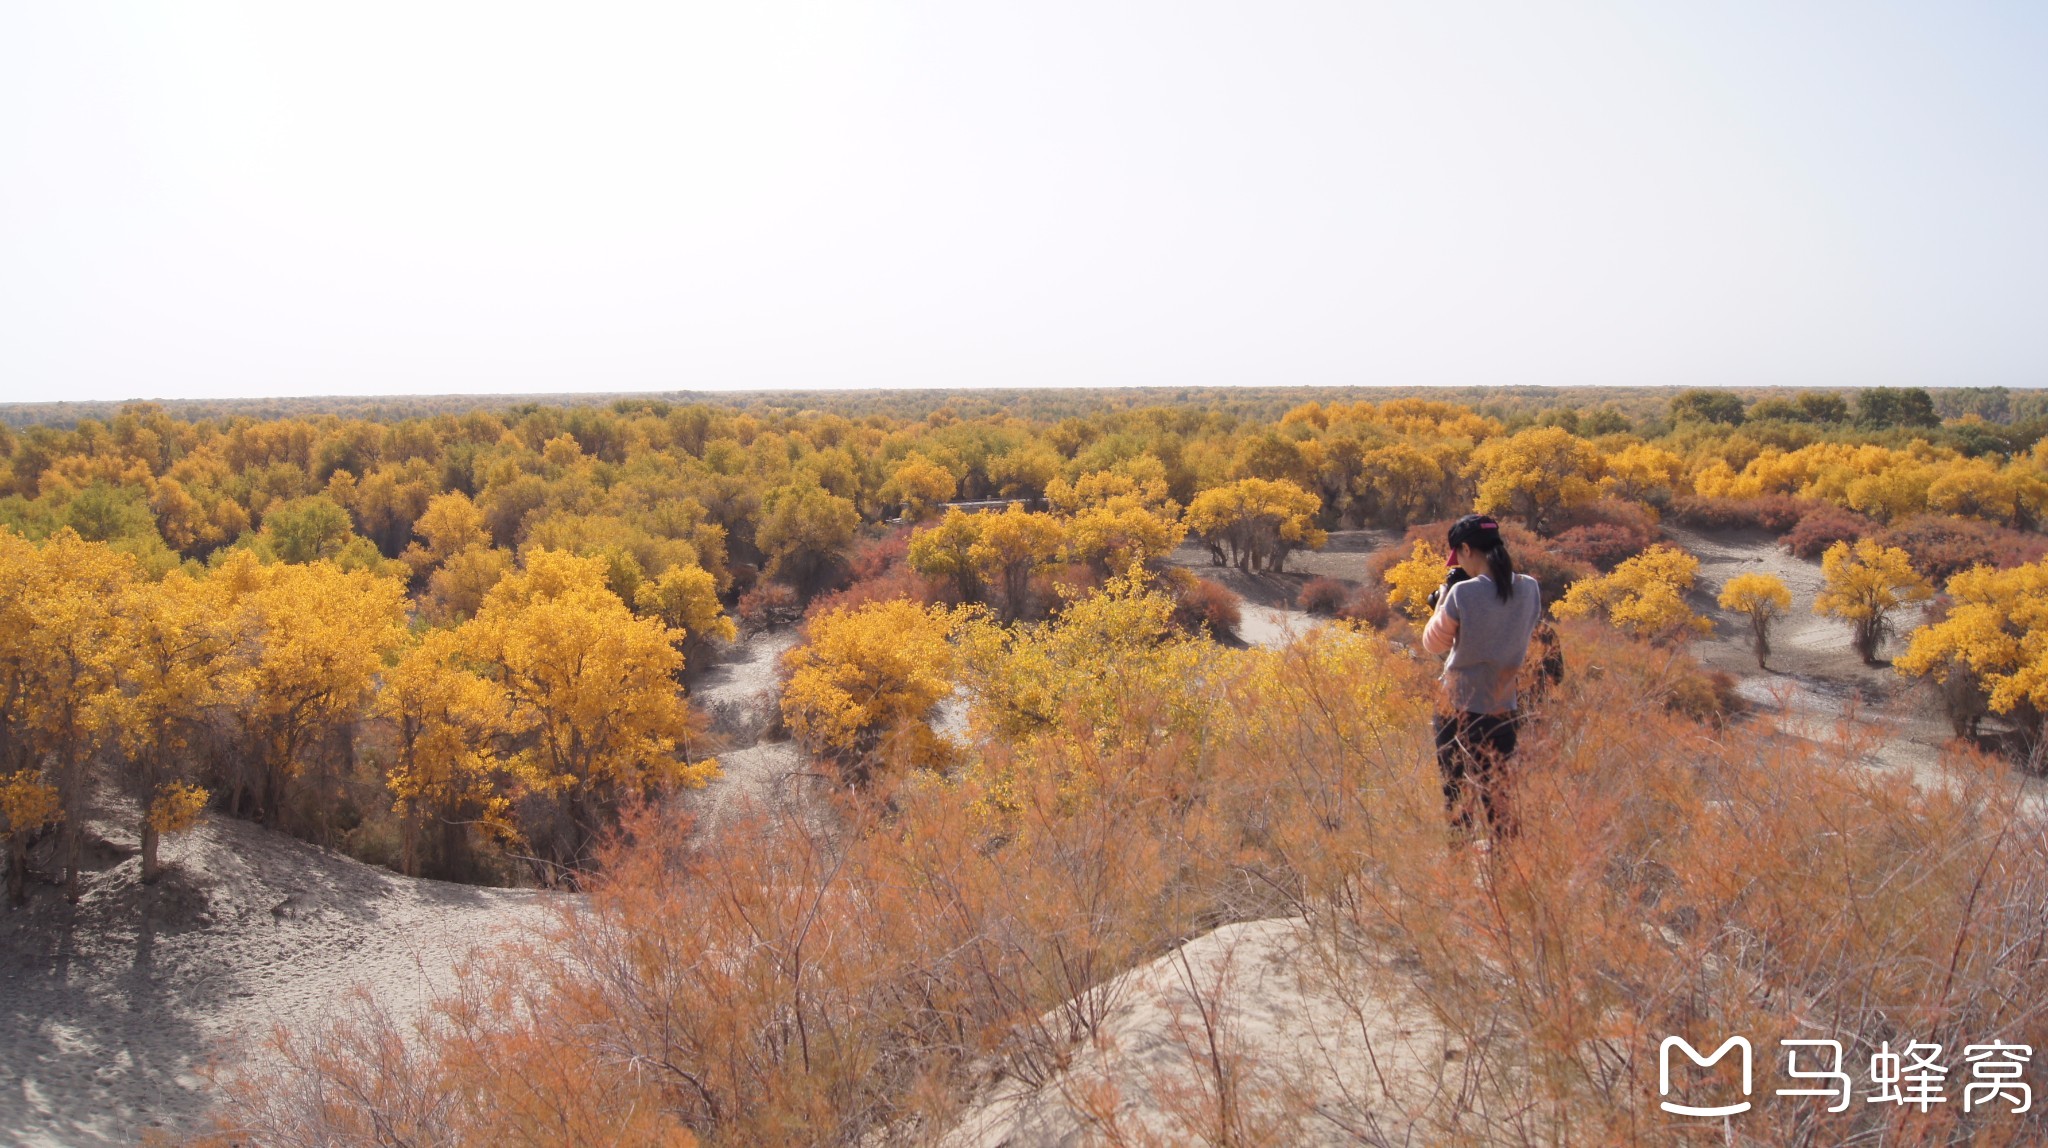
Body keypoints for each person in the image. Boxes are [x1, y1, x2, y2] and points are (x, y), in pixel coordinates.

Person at [1420, 514, 1542, 839]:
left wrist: (1443, 598)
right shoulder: (1530, 589)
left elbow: (1433, 643)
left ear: (1465, 549)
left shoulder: (1463, 594)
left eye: (1458, 555)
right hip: (1503, 707)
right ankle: (1503, 876)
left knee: (1458, 800)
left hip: (1457, 708)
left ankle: (1460, 874)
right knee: (1498, 801)